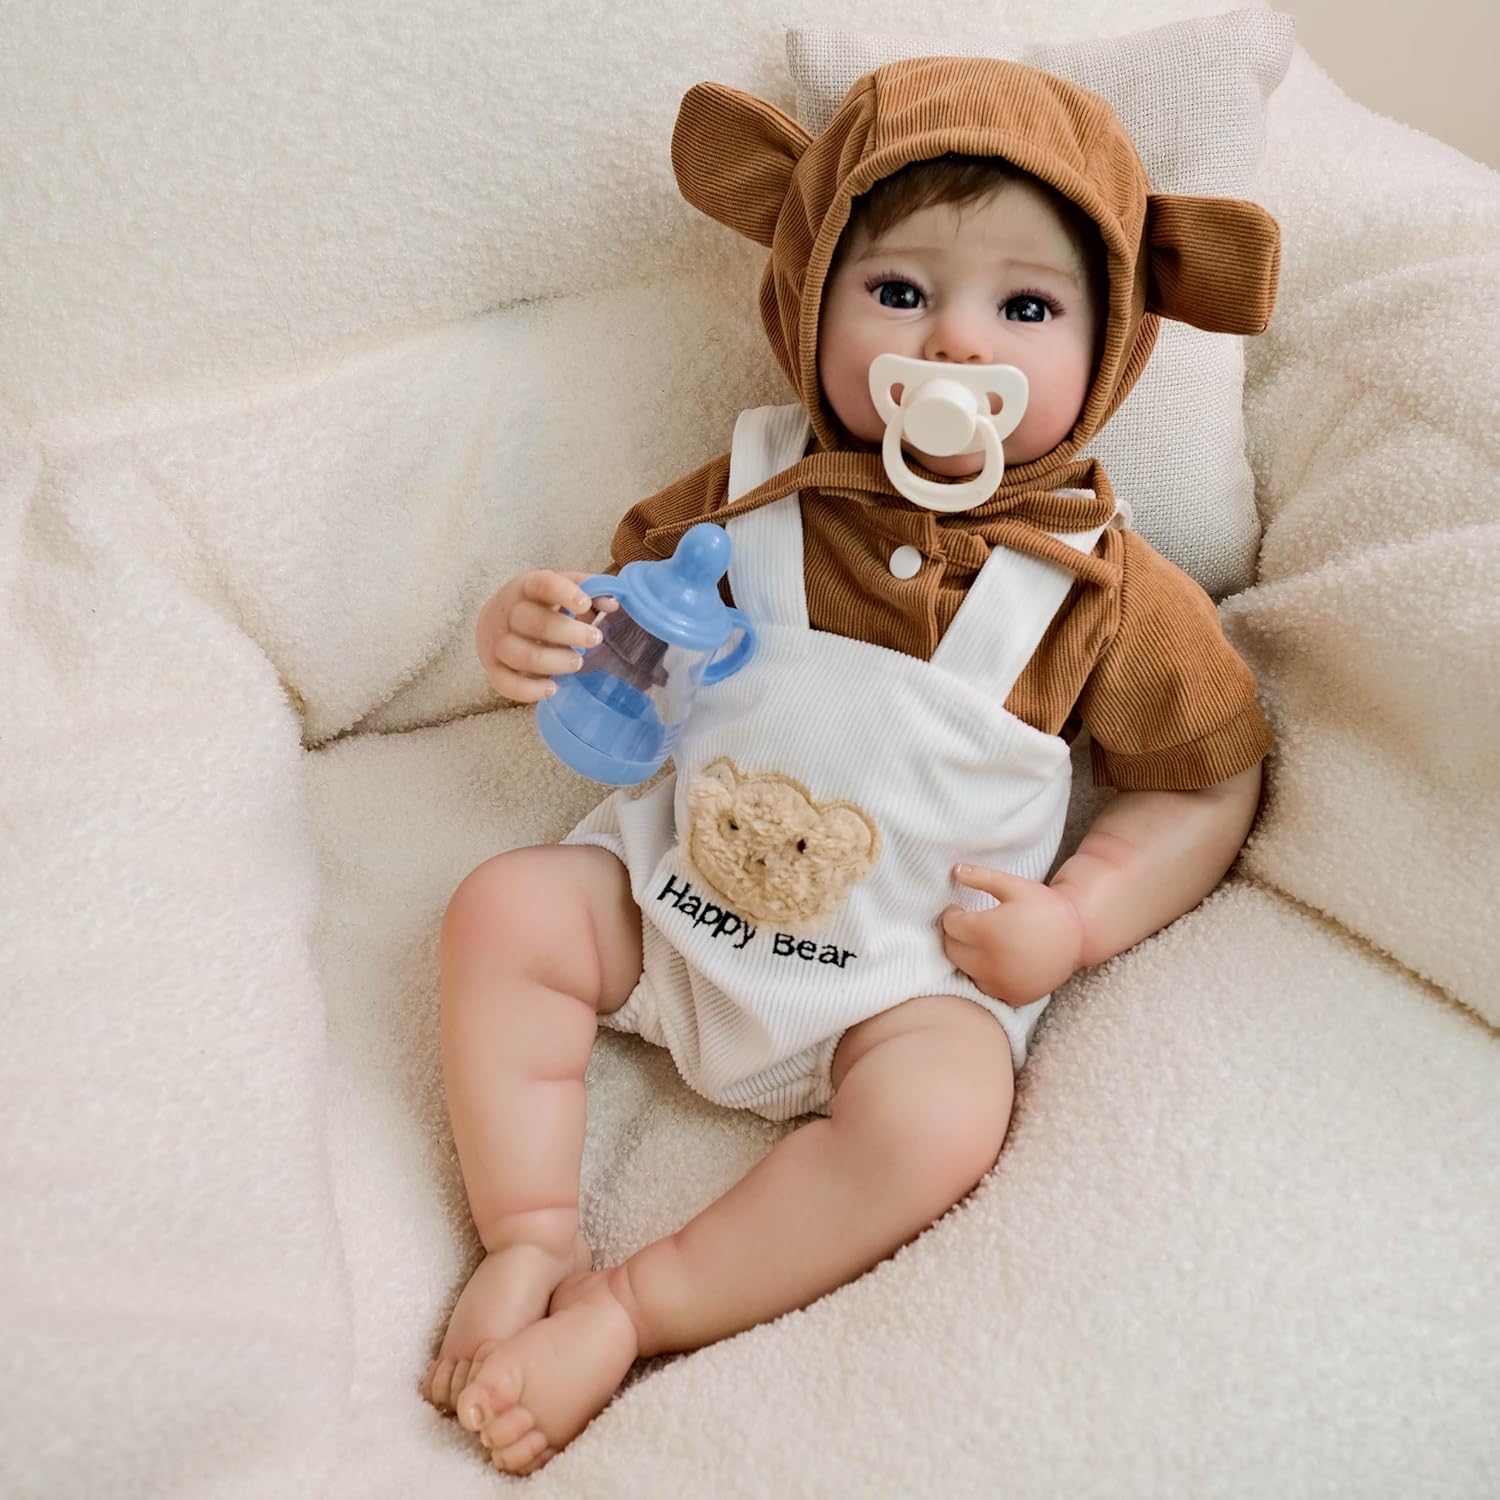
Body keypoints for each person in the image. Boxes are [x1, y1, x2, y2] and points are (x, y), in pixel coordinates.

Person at [421, 55, 1280, 1473]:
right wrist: (539, 629)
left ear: (1116, 339)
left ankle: (634, 1309)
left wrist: (1081, 916)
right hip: (667, 904)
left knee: (944, 1120)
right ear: (808, 296)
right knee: (502, 910)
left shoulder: (1101, 587)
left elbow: (1207, 775)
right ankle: (528, 1235)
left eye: (1025, 308)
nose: (954, 344)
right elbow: (626, 632)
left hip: (898, 985)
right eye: (897, 289)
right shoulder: (747, 493)